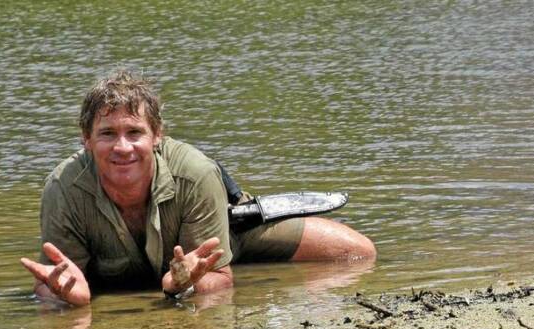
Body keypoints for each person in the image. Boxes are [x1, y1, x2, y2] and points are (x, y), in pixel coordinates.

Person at [20, 70, 376, 306]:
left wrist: (187, 286)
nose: (123, 147)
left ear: (158, 135)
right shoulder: (63, 188)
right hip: (141, 265)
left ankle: (244, 252)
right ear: (86, 140)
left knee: (358, 253)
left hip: (219, 235)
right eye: (107, 134)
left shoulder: (196, 172)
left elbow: (218, 279)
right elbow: (55, 281)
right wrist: (67, 301)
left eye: (135, 133)